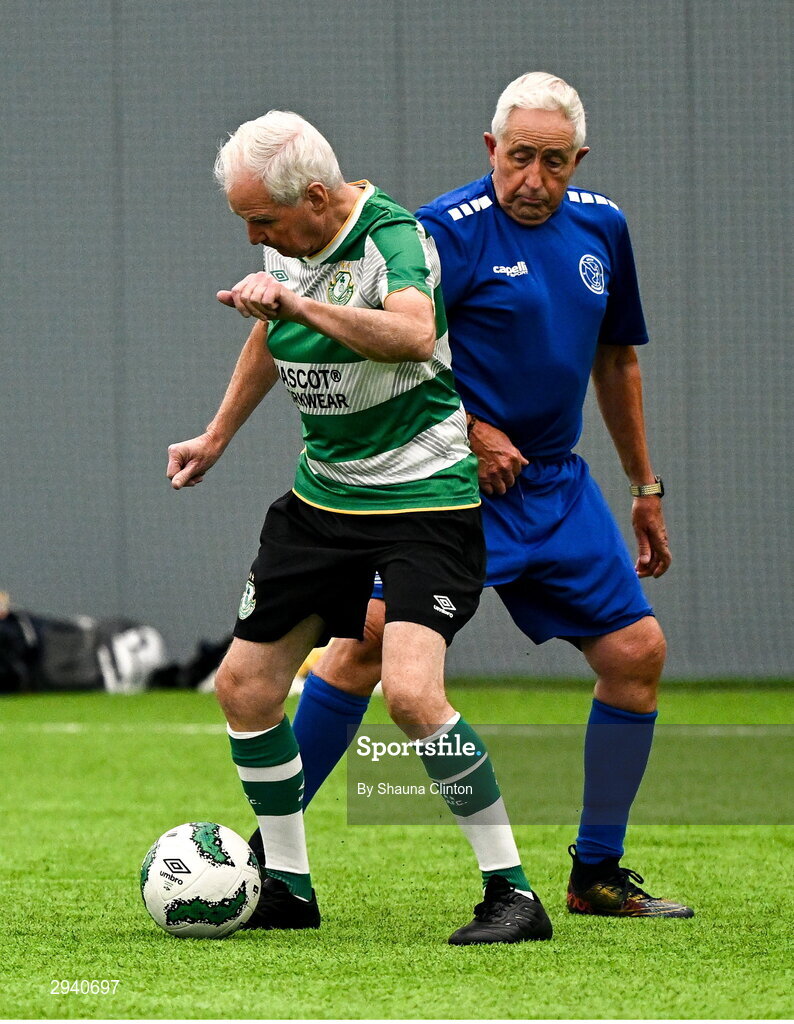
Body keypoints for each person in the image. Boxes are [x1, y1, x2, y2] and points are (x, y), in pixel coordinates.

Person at [278, 74, 694, 920]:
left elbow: (618, 361)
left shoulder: (603, 226)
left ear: (578, 159)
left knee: (636, 656)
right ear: (489, 150)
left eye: (553, 162)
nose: (534, 179)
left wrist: (644, 487)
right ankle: (268, 860)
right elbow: (402, 350)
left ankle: (596, 873)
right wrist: (472, 430)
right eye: (517, 158)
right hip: (454, 487)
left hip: (558, 486)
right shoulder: (442, 232)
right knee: (359, 648)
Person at [166, 110, 553, 945]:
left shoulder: (394, 236)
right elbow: (274, 335)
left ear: (313, 195)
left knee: (413, 695)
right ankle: (290, 890)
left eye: (261, 220)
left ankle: (514, 894)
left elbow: (414, 332)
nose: (252, 234)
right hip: (322, 504)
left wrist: (299, 303)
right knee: (244, 688)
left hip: (424, 503)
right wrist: (219, 433)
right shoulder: (291, 247)